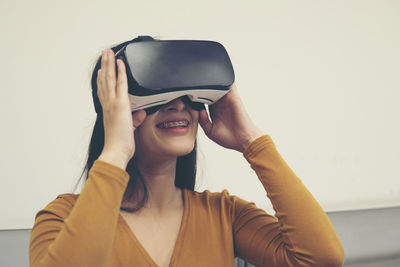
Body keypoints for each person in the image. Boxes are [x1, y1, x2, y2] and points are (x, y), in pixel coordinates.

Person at [29, 40, 345, 267]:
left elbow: (321, 258)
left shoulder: (224, 215)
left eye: (185, 95)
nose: (178, 104)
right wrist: (115, 151)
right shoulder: (61, 218)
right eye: (157, 96)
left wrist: (252, 141)